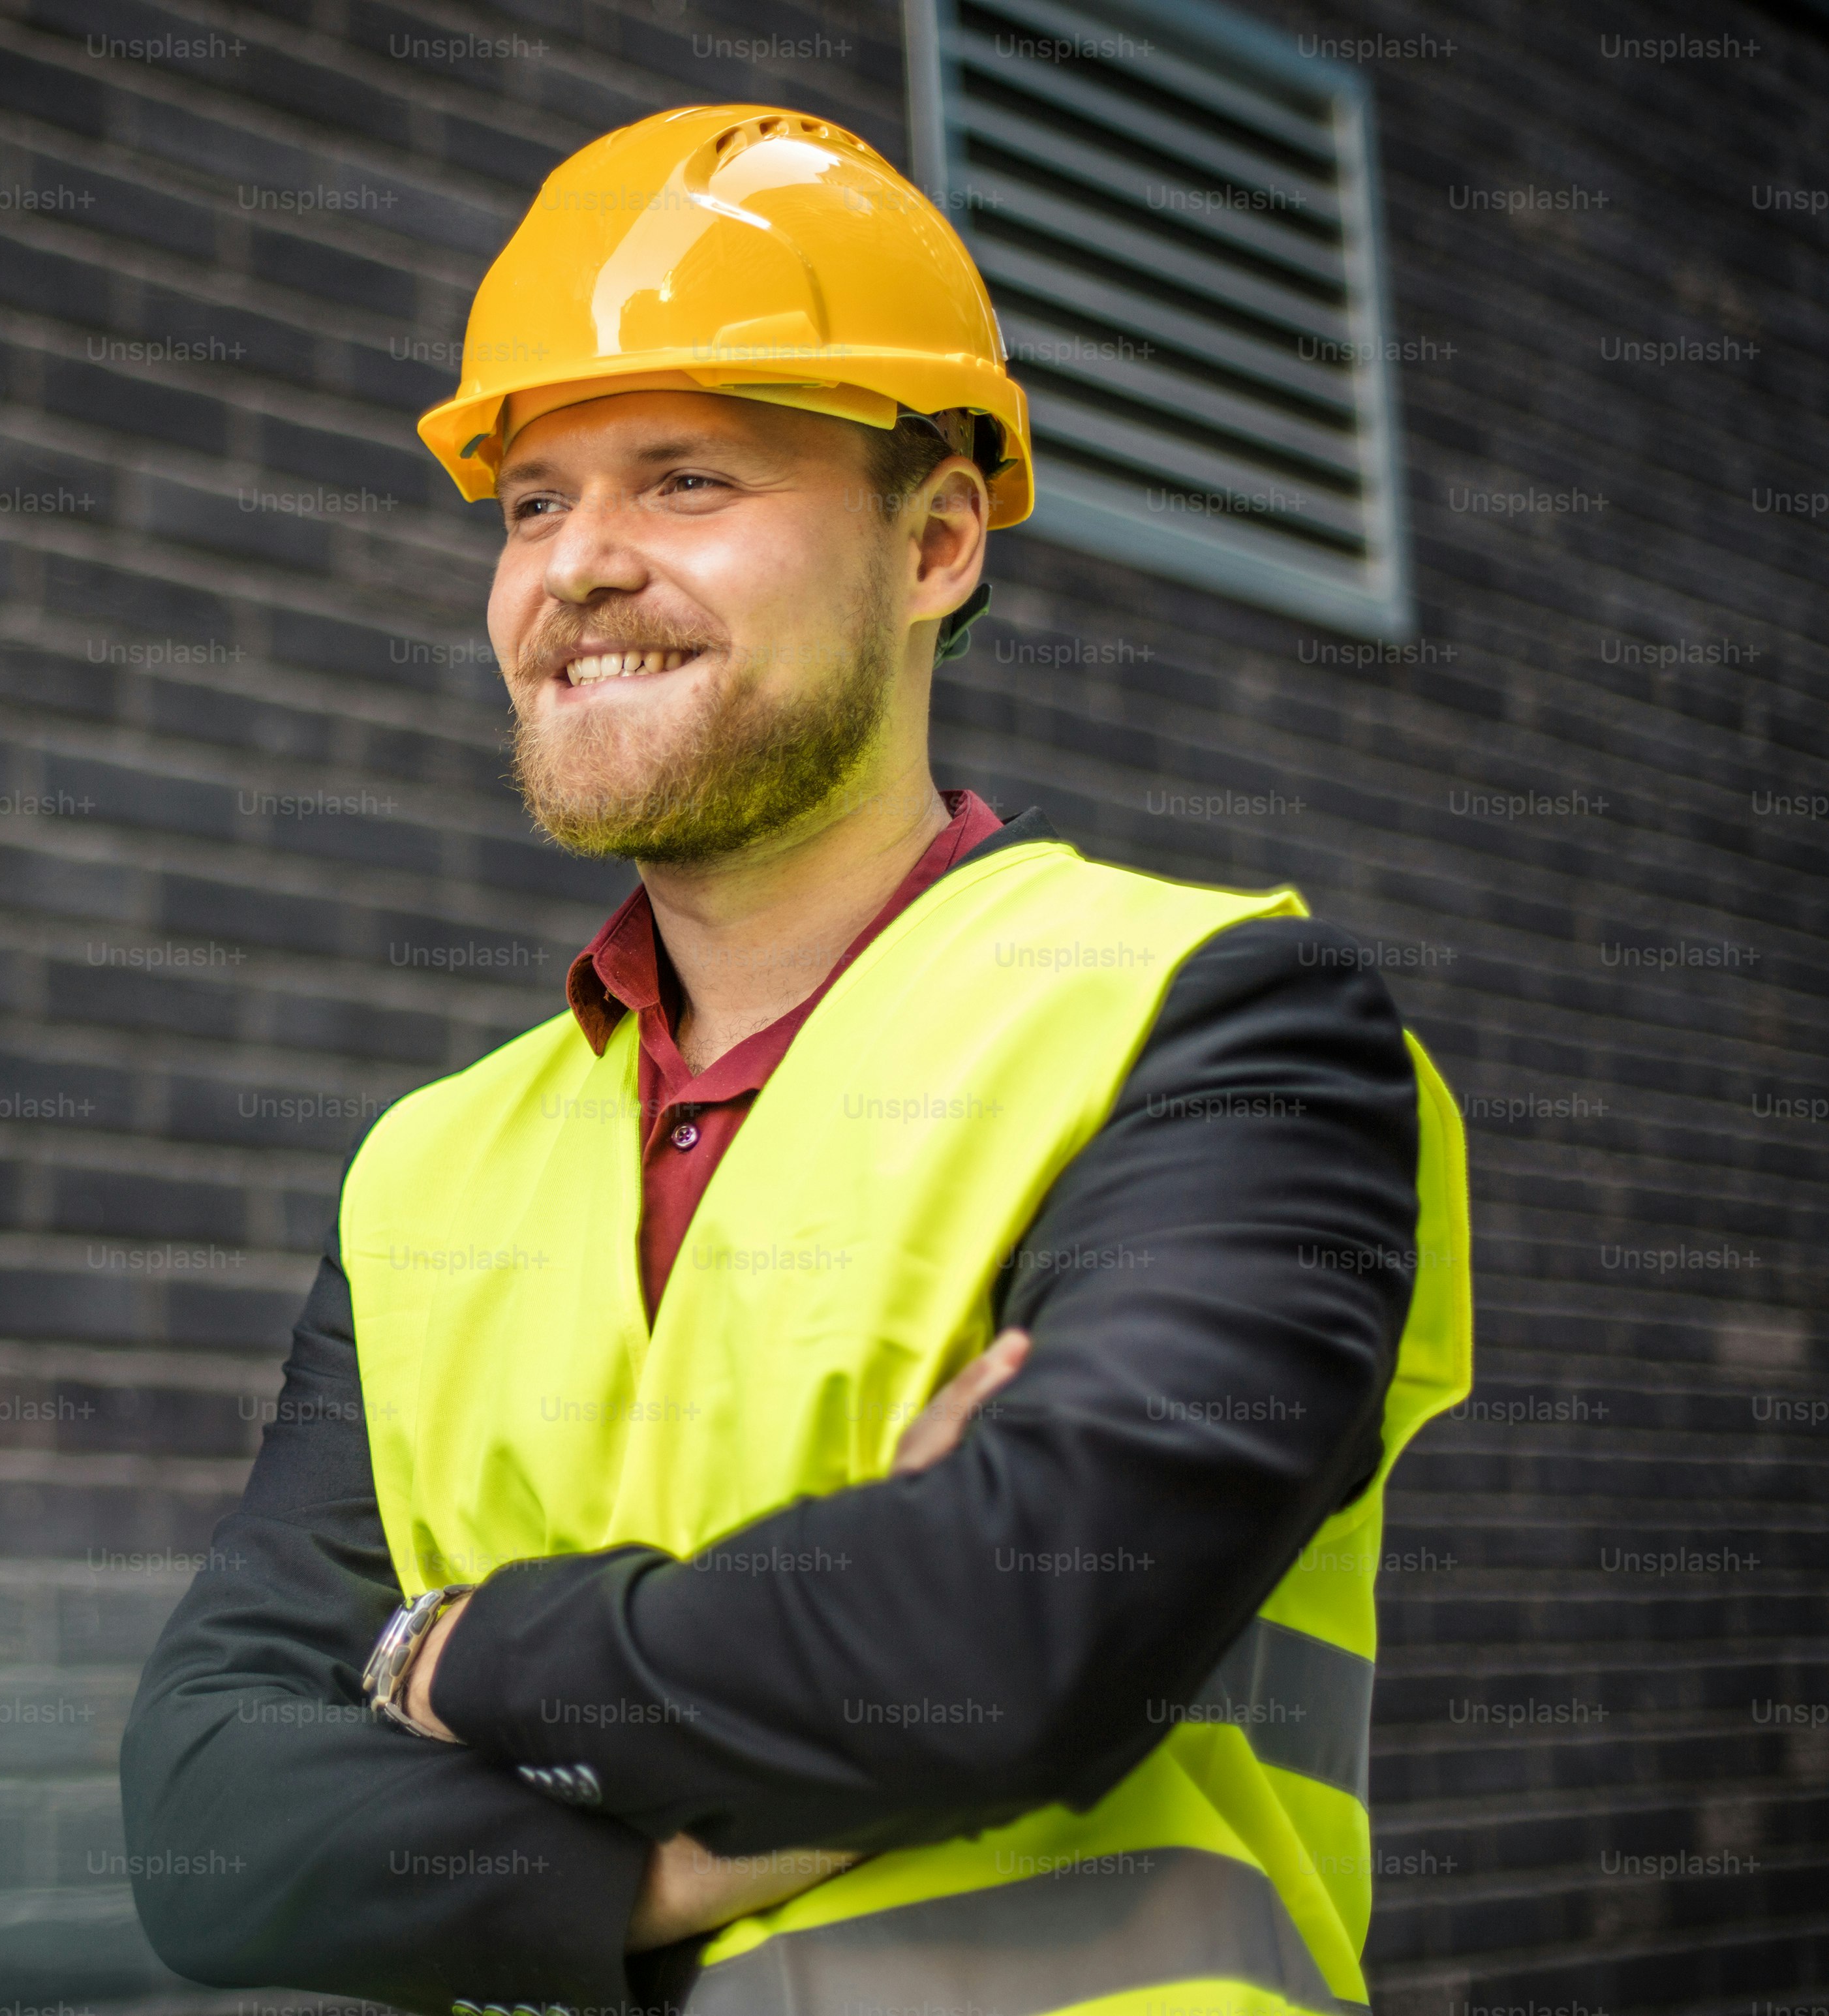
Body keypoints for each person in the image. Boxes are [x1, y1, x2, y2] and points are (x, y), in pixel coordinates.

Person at [117, 104, 1471, 2016]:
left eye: (685, 480)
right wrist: (669, 1863)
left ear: (936, 544)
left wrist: (451, 1653)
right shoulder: (426, 1164)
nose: (578, 567)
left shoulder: (1212, 1019)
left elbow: (1000, 1643)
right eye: (531, 502)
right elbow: (203, 1822)